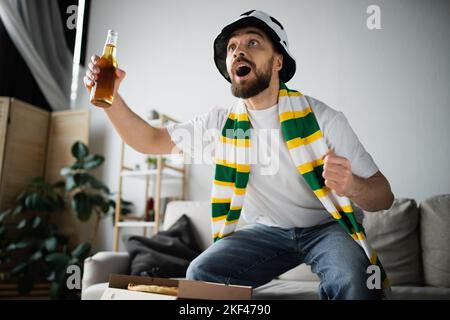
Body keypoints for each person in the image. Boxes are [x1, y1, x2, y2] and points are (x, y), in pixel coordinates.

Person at [84, 10, 394, 300]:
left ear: (278, 62)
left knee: (353, 276)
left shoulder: (324, 119)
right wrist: (109, 99)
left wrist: (351, 184)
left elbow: (384, 196)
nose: (238, 51)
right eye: (232, 47)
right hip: (269, 231)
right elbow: (150, 140)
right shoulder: (220, 124)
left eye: (253, 42)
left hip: (327, 226)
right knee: (201, 274)